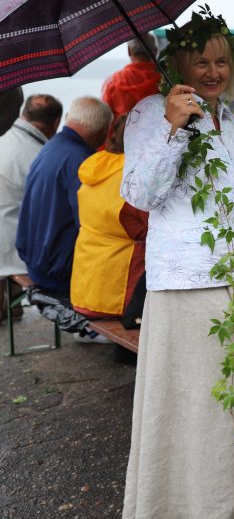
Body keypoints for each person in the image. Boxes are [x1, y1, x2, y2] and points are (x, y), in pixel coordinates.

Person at [120, 9, 234, 519]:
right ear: (179, 62)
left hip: (233, 280)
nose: (213, 72)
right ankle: (177, 505)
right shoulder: (149, 113)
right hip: (184, 283)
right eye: (202, 62)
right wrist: (174, 127)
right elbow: (140, 194)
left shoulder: (230, 121)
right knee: (187, 401)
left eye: (222, 62)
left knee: (233, 397)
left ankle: (230, 506)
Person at [15, 96, 111, 340]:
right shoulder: (82, 160)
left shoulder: (51, 146)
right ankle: (97, 328)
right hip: (56, 273)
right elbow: (92, 224)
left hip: (34, 260)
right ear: (102, 131)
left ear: (68, 119)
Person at [70, 115, 148, 324]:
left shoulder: (96, 165)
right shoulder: (134, 176)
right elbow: (148, 230)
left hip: (84, 291)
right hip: (116, 299)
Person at [0, 94, 61, 321]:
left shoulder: (5, 137)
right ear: (56, 124)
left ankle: (11, 308)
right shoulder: (38, 156)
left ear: (24, 112)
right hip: (14, 248)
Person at [101, 34, 161, 118]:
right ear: (155, 51)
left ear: (129, 51)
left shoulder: (113, 82)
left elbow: (105, 119)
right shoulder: (166, 79)